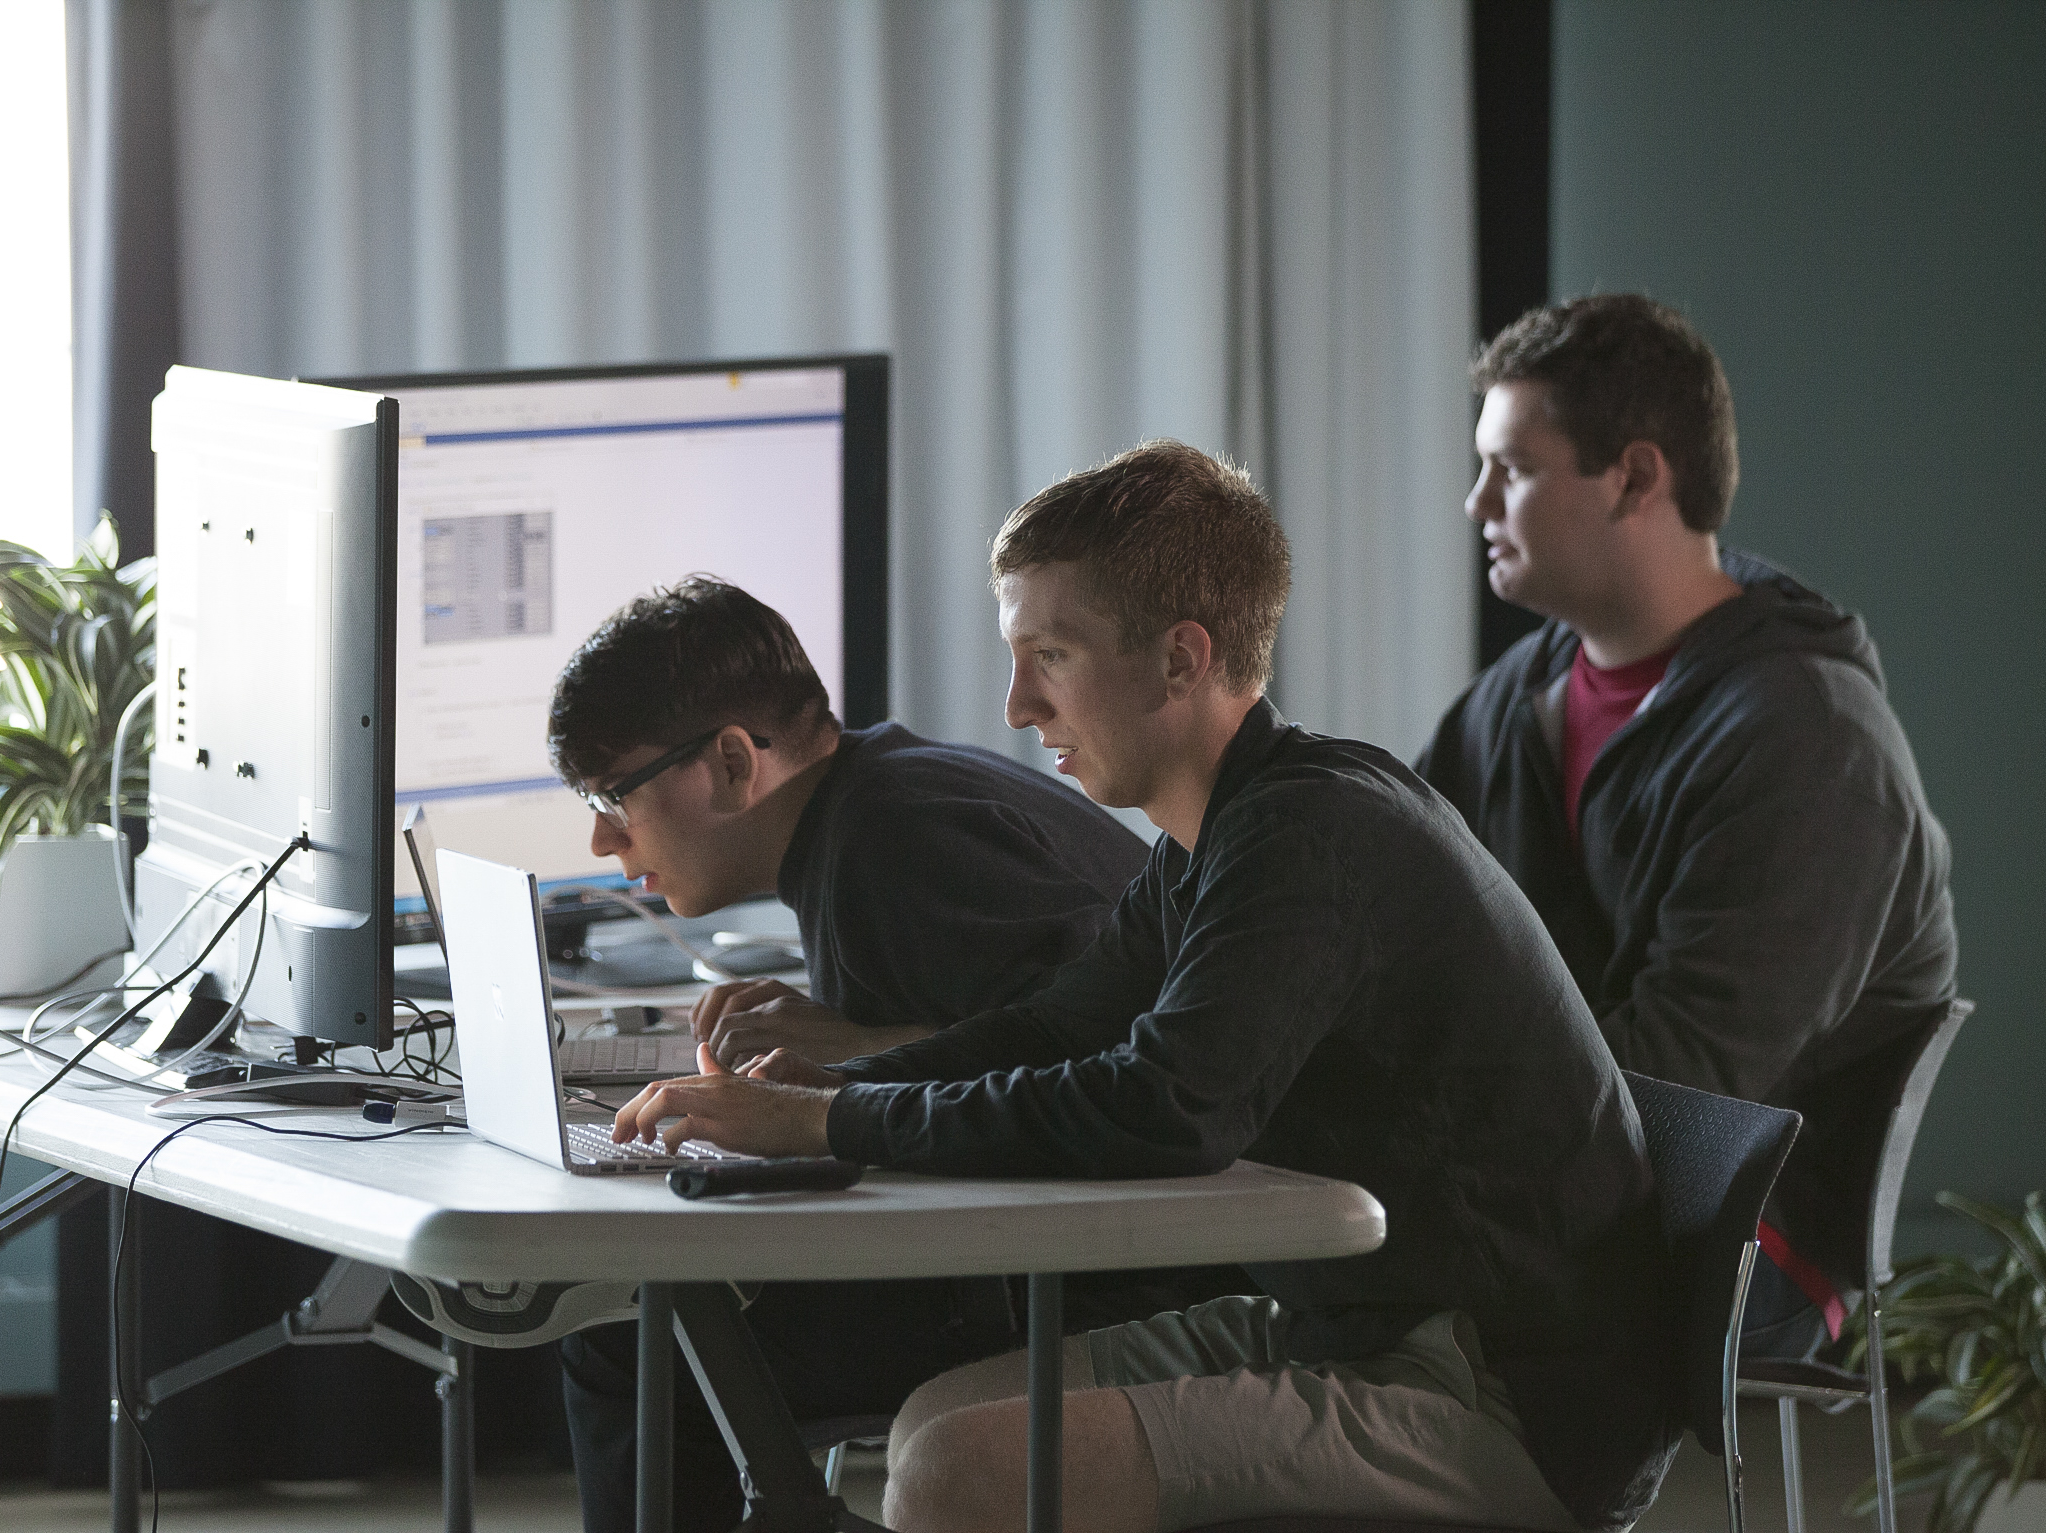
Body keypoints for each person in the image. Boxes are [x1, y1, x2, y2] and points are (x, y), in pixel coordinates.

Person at [615, 444, 1678, 1533]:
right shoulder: (1214, 837)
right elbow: (1058, 1026)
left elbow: (1165, 1106)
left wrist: (827, 1122)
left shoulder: (1304, 833)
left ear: (1179, 660)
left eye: (1051, 656)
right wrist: (825, 1093)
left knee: (959, 1475)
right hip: (1367, 1324)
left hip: (1504, 1390)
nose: (1017, 704)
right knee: (936, 1422)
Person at [539, 576, 1232, 1533]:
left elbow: (1116, 1054)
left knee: (635, 1340)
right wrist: (847, 1041)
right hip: (1040, 1248)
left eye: (614, 795)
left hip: (1099, 1277)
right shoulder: (879, 796)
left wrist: (859, 1052)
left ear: (734, 762)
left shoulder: (893, 835)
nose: (600, 836)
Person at [1416, 295, 1958, 1358]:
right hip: (1570, 1183)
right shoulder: (1514, 701)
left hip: (1742, 1239)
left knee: (1317, 1294)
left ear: (1633, 478)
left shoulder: (1810, 741)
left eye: (1511, 469)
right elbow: (1395, 918)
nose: (1475, 501)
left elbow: (1679, 1092)